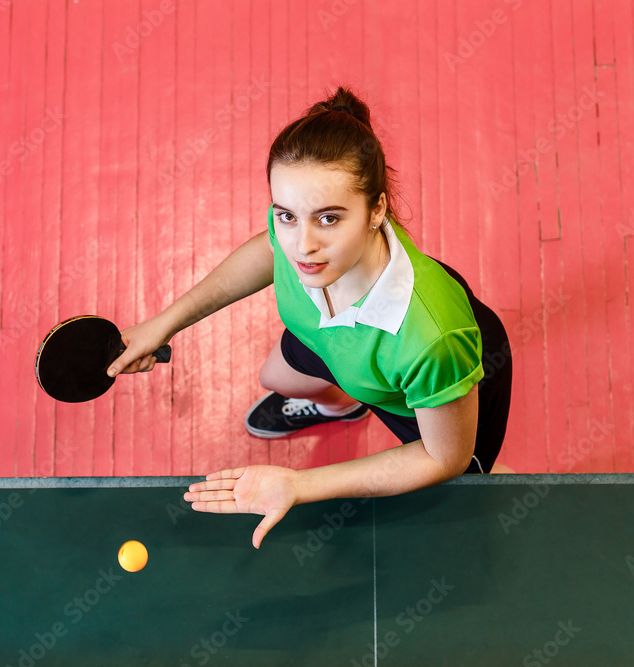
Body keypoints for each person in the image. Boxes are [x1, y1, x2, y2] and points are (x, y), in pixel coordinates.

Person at [107, 86, 513, 548]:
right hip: (331, 338)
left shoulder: (429, 341)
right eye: (285, 215)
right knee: (275, 377)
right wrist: (164, 323)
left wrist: (300, 485)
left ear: (376, 208)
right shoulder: (309, 249)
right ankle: (343, 403)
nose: (301, 246)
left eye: (328, 219)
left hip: (426, 386)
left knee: (465, 485)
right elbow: (268, 251)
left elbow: (444, 459)